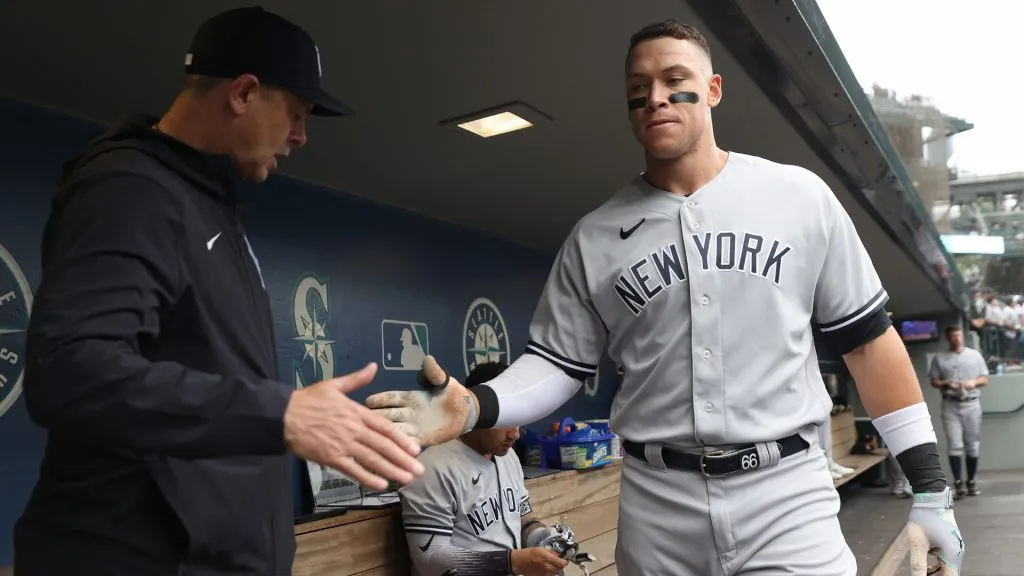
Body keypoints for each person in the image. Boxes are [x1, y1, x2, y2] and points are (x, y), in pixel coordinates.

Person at [366, 19, 965, 576]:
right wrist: (475, 406)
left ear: (713, 89)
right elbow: (555, 366)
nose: (655, 96)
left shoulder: (798, 197)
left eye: (674, 80)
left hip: (787, 495)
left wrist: (932, 490)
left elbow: (868, 341)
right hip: (660, 507)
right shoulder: (595, 237)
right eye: (639, 86)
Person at [14, 7, 423, 575]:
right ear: (244, 92)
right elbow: (70, 371)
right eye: (297, 113)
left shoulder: (211, 206)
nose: (301, 136)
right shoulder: (131, 188)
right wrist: (280, 413)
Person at [398, 361, 570, 576]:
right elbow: (429, 558)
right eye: (507, 419)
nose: (515, 434)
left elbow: (521, 517)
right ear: (478, 411)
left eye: (520, 420)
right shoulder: (431, 469)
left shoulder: (508, 457)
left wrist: (543, 538)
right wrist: (510, 562)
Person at [929, 325, 988, 499]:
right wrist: (947, 383)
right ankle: (958, 484)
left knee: (972, 444)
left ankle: (971, 481)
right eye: (953, 336)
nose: (957, 339)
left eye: (959, 335)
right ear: (948, 338)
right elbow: (934, 380)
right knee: (955, 444)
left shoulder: (974, 355)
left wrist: (973, 383)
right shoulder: (940, 357)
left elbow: (984, 378)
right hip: (951, 402)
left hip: (971, 401)